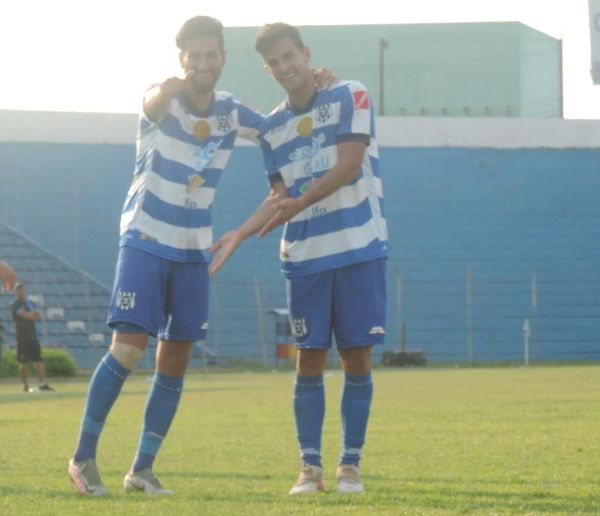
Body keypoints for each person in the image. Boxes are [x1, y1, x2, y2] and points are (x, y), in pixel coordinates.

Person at [68, 16, 335, 497]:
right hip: (146, 239)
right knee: (128, 349)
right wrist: (164, 90)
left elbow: (280, 123)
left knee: (175, 360)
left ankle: (141, 470)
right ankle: (83, 457)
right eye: (195, 56)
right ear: (182, 60)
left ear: (222, 60)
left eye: (212, 55)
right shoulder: (162, 99)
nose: (203, 64)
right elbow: (150, 103)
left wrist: (318, 86)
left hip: (194, 251)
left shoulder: (232, 112)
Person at [210, 23, 388, 495]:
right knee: (308, 360)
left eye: (291, 56)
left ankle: (350, 466)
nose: (285, 67)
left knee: (356, 358)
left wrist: (299, 203)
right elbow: (279, 196)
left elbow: (349, 165)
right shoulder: (271, 129)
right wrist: (241, 233)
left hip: (357, 247)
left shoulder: (351, 93)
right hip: (305, 255)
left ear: (306, 55)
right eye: (275, 62)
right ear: (268, 70)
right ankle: (309, 469)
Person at [11, 283, 54, 392]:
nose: (22, 292)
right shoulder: (15, 304)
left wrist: (33, 316)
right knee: (24, 363)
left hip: (33, 337)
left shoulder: (30, 303)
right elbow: (25, 315)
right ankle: (24, 384)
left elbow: (38, 315)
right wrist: (33, 316)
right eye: (19, 290)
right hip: (22, 338)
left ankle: (42, 383)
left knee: (38, 360)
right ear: (16, 292)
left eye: (23, 290)